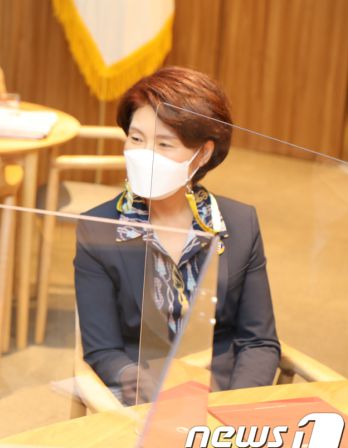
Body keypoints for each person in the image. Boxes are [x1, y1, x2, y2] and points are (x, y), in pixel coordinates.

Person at [74, 66, 280, 405]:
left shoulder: (240, 224)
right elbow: (103, 350)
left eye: (164, 144)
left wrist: (235, 410)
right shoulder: (98, 227)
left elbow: (258, 342)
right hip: (140, 397)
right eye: (136, 139)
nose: (145, 155)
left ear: (203, 154)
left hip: (222, 393)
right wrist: (153, 392)